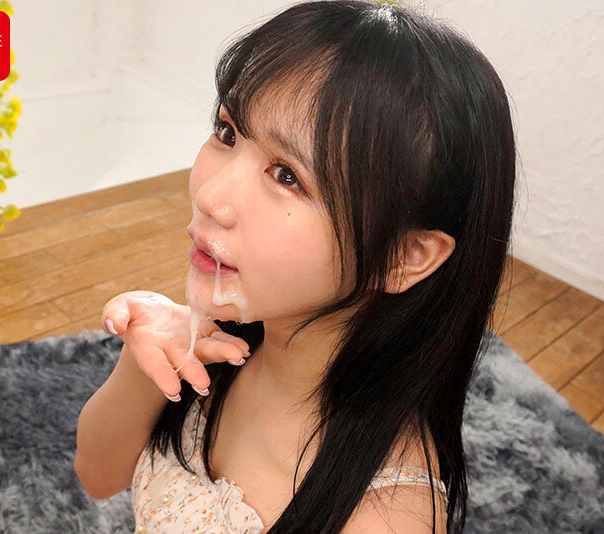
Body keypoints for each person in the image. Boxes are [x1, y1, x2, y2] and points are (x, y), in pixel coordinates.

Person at [74, 1, 517, 532]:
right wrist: (143, 362)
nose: (210, 197)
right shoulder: (220, 340)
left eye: (287, 175)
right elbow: (98, 477)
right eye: (228, 132)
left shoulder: (383, 520)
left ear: (404, 256)